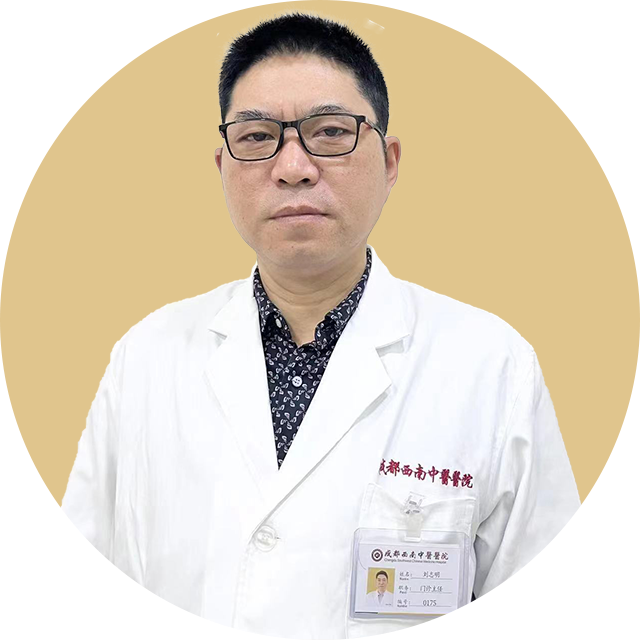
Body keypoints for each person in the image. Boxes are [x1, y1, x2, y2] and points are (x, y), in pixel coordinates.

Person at [61, 12, 581, 639]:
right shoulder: (145, 356)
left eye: (330, 132)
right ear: (222, 167)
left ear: (389, 161)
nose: (293, 167)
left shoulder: (493, 366)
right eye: (257, 137)